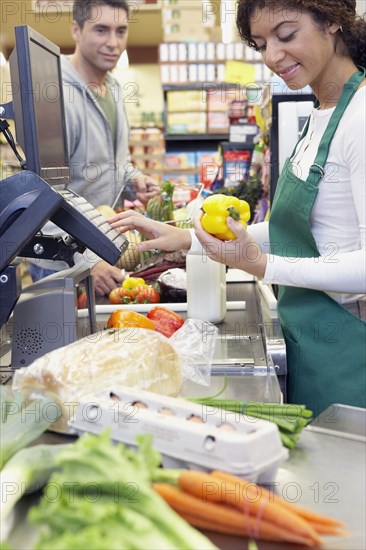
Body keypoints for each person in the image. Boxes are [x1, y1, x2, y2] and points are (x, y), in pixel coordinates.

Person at [109, 0, 366, 415]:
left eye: (286, 36)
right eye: (261, 43)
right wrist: (189, 239)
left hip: (351, 347)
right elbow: (298, 230)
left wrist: (259, 264)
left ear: (333, 20)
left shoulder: (361, 117)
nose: (272, 57)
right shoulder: (319, 112)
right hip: (314, 339)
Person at [28, 0, 160, 295]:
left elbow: (112, 162)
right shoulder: (54, 95)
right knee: (62, 339)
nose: (113, 43)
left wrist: (132, 180)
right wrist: (87, 260)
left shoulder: (113, 89)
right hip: (63, 262)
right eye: (101, 30)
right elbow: (42, 193)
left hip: (102, 246)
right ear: (76, 30)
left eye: (120, 30)